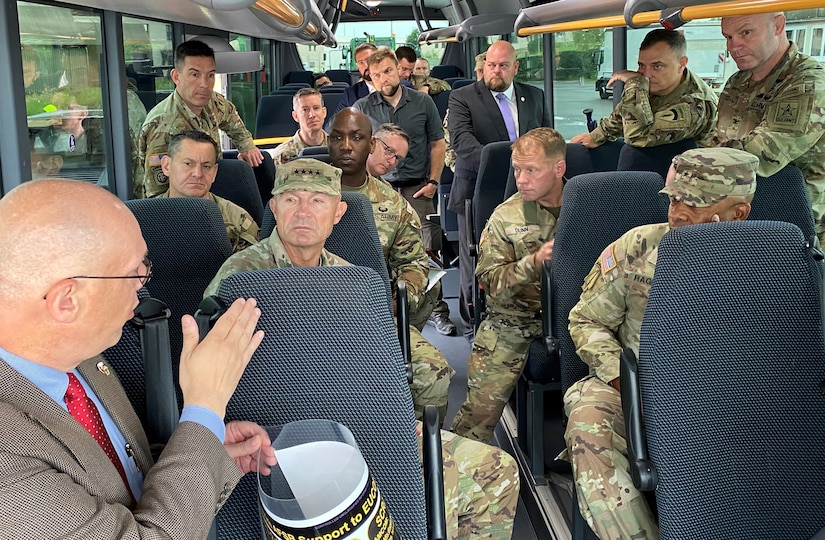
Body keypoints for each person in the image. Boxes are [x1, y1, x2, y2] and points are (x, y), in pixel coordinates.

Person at [205, 159, 519, 540]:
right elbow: (208, 373)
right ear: (274, 208)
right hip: (278, 433)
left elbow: (375, 361)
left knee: (496, 470)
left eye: (318, 202)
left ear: (339, 212)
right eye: (291, 199)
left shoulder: (351, 278)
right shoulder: (239, 278)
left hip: (360, 420)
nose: (304, 211)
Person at [0, 178, 274, 537]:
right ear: (67, 301)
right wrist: (206, 404)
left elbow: (117, 476)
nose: (143, 283)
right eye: (132, 272)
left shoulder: (77, 356)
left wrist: (207, 450)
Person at [564, 147, 758, 539]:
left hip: (731, 395)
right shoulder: (639, 246)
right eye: (674, 198)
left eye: (695, 203)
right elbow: (586, 320)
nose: (678, 212)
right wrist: (625, 381)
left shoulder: (767, 262)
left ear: (739, 213)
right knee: (588, 426)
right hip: (630, 386)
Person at [328, 111, 454, 418]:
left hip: (373, 312)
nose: (347, 146)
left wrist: (397, 299)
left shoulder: (394, 205)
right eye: (338, 138)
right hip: (307, 313)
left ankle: (415, 456)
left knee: (434, 374)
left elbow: (413, 263)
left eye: (356, 139)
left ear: (369, 144)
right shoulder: (302, 191)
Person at [451, 127, 565, 443]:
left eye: (532, 170)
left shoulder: (584, 206)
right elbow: (488, 280)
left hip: (573, 318)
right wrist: (533, 263)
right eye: (517, 169)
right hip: (513, 321)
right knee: (477, 417)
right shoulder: (506, 217)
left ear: (559, 169)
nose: (521, 179)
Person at [448, 40, 551, 331]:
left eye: (503, 66)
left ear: (515, 67)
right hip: (479, 189)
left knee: (524, 253)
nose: (496, 71)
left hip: (528, 191)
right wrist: (513, 166)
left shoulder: (534, 96)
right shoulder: (463, 97)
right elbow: (462, 142)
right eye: (491, 65)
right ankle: (474, 321)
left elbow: (546, 138)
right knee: (477, 258)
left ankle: (527, 317)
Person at [353, 49, 453, 335]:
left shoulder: (423, 102)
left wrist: (433, 181)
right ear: (370, 79)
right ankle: (384, 312)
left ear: (398, 69)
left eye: (387, 71)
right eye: (376, 75)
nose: (383, 78)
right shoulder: (362, 107)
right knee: (378, 248)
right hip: (373, 190)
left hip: (416, 187)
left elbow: (437, 143)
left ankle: (438, 310)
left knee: (426, 251)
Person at [710, 12, 825, 244]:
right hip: (741, 215)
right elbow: (717, 141)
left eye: (745, 32)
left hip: (798, 227)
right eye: (728, 37)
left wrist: (689, 167)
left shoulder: (807, 82)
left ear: (778, 25)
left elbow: (763, 156)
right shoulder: (737, 82)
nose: (734, 46)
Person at [138, 39, 264, 198]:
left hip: (209, 191)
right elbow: (157, 195)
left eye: (210, 75)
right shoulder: (161, 127)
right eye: (195, 74)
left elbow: (230, 117)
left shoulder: (212, 102)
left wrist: (246, 145)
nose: (204, 84)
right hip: (180, 208)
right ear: (176, 77)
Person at [365, 121, 456, 336]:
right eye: (389, 151)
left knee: (427, 275)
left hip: (382, 275)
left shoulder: (390, 196)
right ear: (371, 143)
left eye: (398, 158)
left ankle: (401, 335)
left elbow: (407, 248)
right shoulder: (334, 182)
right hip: (343, 278)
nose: (391, 161)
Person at [570, 29, 717, 149]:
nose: (646, 75)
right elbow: (624, 115)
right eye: (641, 65)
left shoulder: (695, 104)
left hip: (695, 177)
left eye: (657, 66)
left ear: (681, 64)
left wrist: (635, 83)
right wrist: (596, 136)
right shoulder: (659, 84)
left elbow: (637, 138)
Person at [158, 130, 259, 253]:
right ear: (166, 166)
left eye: (206, 166)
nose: (198, 174)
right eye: (188, 164)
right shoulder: (145, 217)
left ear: (214, 172)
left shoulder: (238, 220)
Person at [268, 87, 328, 165]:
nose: (312, 115)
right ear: (295, 116)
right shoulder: (282, 155)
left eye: (316, 108)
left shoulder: (338, 148)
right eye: (305, 110)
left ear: (324, 112)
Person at [327, 42, 378, 128]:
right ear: (358, 66)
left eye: (369, 60)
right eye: (361, 62)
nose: (366, 66)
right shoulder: (351, 94)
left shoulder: (399, 87)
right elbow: (332, 126)